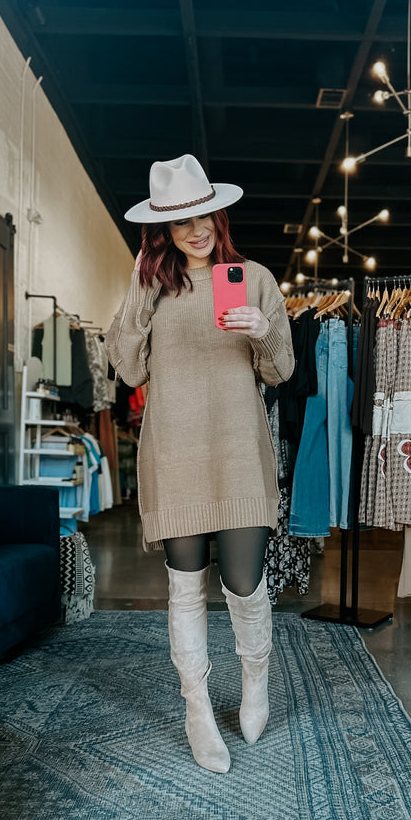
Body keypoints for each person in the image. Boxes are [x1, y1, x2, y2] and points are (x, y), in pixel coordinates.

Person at [106, 153, 294, 774]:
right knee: (185, 587)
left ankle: (255, 684)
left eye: (203, 214)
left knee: (244, 580)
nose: (196, 230)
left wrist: (262, 329)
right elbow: (129, 369)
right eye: (179, 221)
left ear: (219, 212)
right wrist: (137, 287)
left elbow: (281, 371)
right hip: (175, 453)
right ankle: (195, 708)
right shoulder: (153, 289)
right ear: (160, 230)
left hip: (240, 450)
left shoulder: (255, 277)